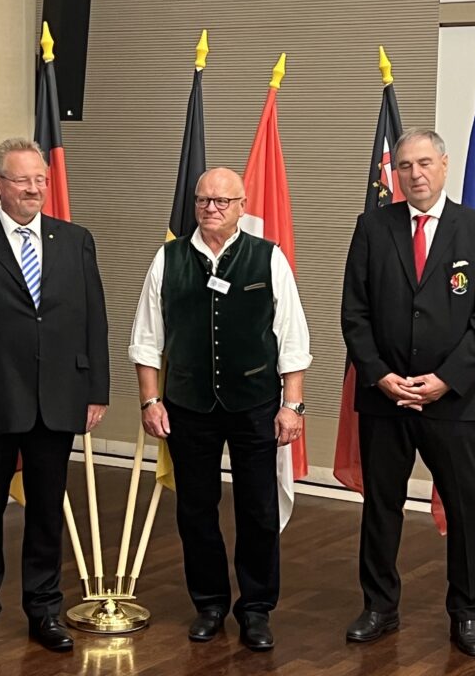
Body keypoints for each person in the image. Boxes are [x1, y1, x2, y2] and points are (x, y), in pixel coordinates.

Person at [0, 137, 109, 656]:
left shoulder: (75, 240)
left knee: (47, 512)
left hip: (58, 396)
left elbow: (93, 318)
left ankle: (44, 610)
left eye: (40, 180)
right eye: (23, 179)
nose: (34, 189)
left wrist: (95, 388)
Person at [129, 167, 311, 652]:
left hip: (256, 405)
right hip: (188, 405)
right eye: (204, 200)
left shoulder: (268, 257)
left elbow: (292, 338)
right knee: (195, 509)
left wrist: (292, 405)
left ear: (241, 206)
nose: (212, 208)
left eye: (222, 201)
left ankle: (256, 608)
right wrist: (150, 399)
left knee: (258, 508)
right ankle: (209, 604)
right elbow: (146, 338)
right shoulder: (168, 258)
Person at [340, 128, 475, 658]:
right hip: (384, 396)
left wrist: (445, 380)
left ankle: (467, 613)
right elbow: (354, 313)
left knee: (464, 508)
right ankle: (379, 607)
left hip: (451, 400)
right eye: (405, 166)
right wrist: (380, 374)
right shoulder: (372, 226)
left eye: (424, 163)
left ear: (445, 165)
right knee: (381, 506)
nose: (414, 174)